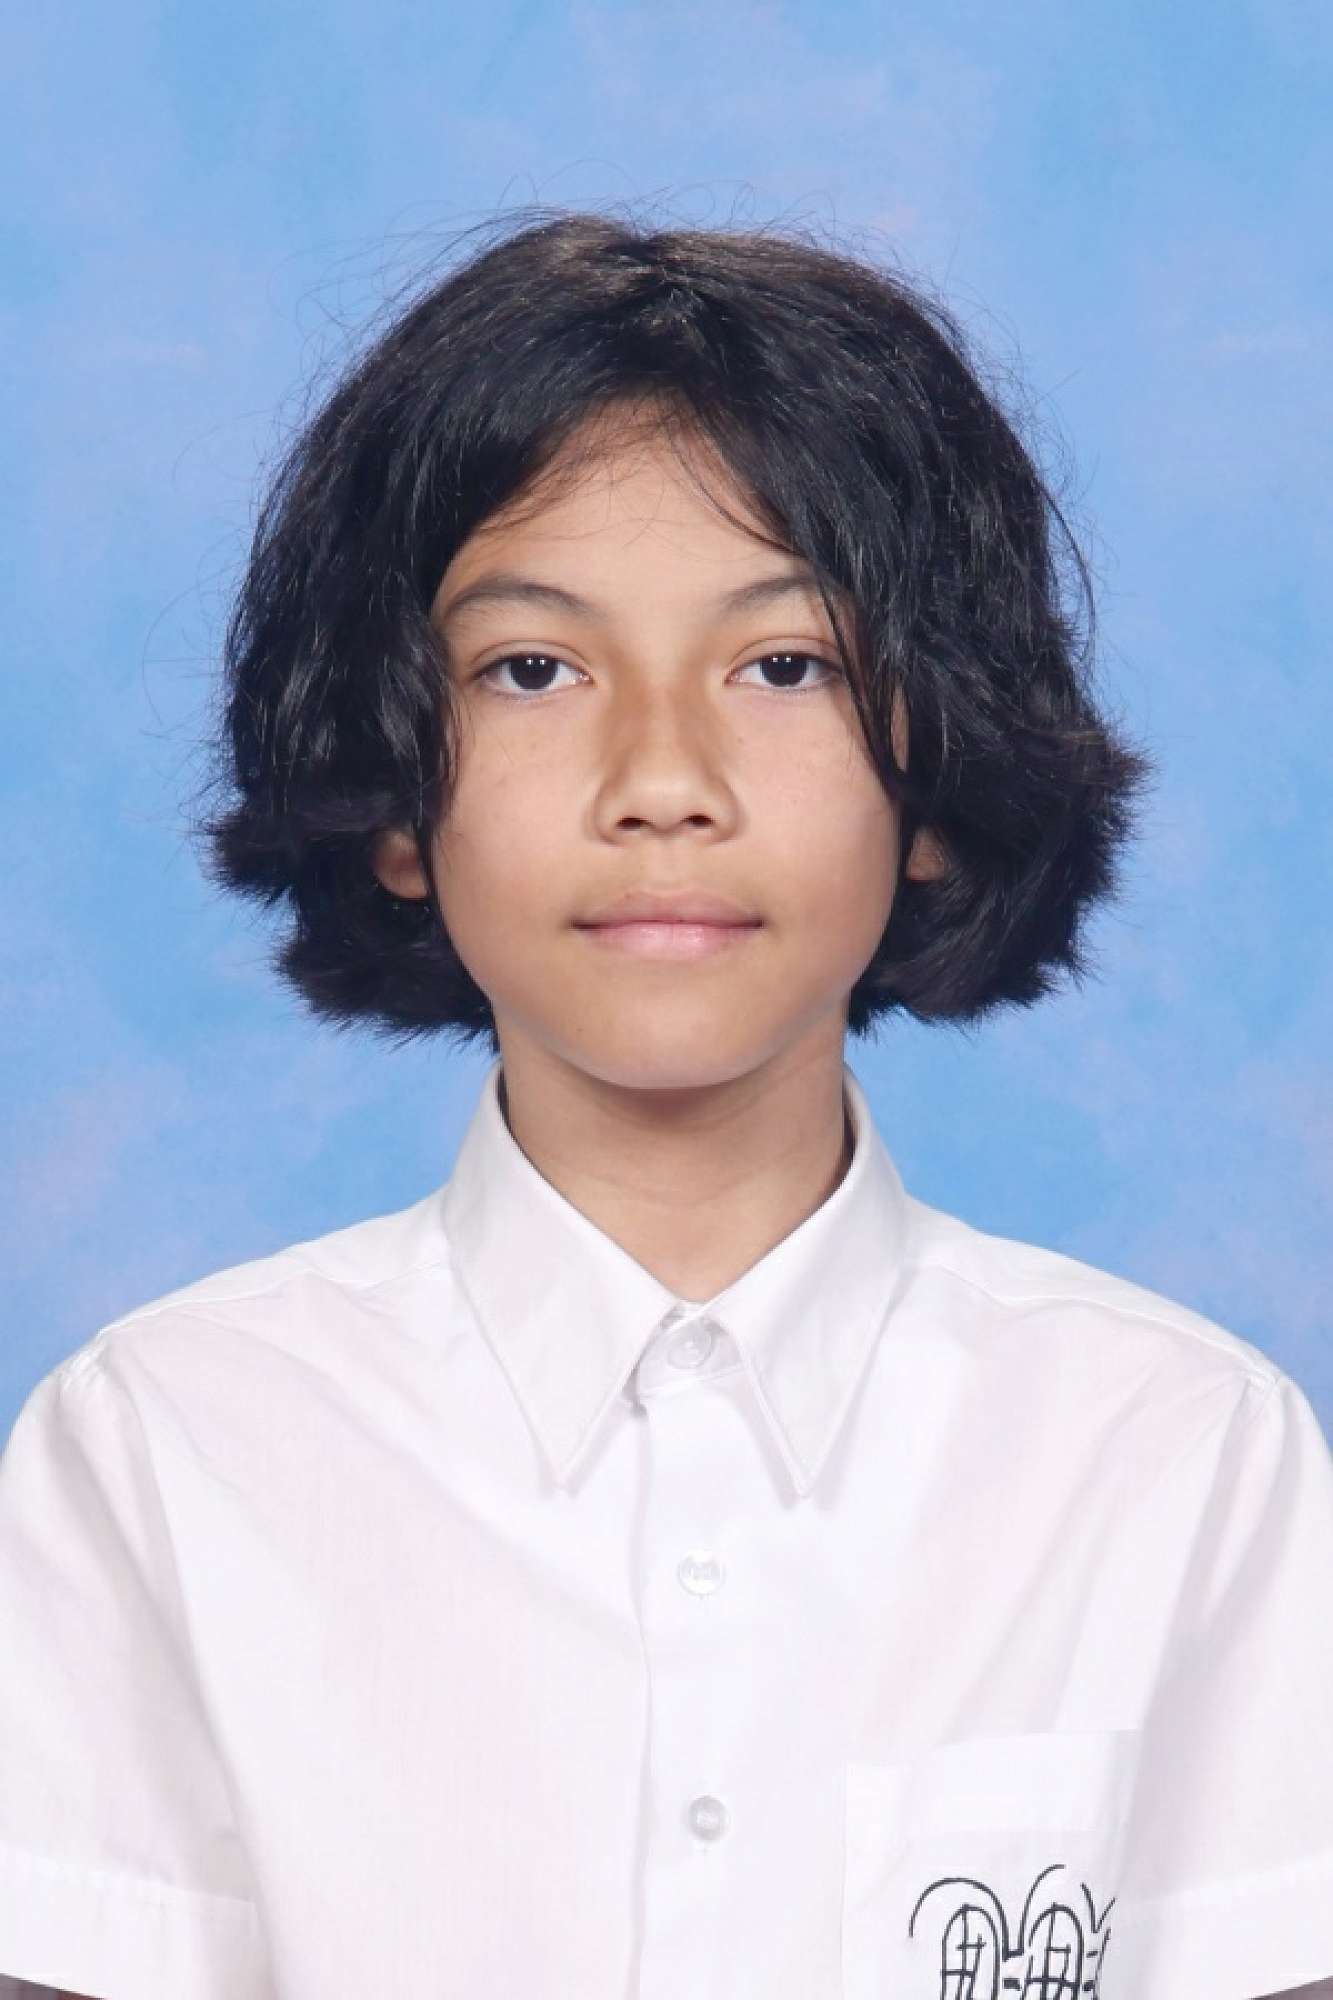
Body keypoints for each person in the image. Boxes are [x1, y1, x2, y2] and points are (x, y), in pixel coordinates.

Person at [1, 207, 1330, 2000]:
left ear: (937, 781)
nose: (661, 782)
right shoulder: (161, 1452)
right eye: (531, 670)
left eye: (784, 666)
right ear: (391, 803)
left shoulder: (1176, 1454)